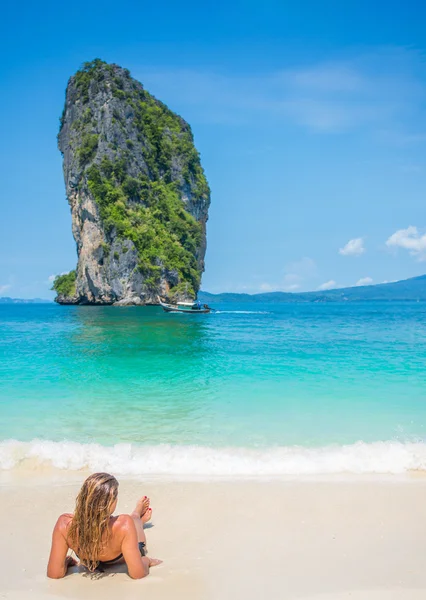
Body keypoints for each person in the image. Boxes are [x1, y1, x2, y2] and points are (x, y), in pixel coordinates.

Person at [47, 472, 162, 579]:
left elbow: (54, 574)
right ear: (110, 502)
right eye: (115, 496)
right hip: (119, 558)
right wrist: (147, 560)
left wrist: (66, 562)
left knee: (130, 524)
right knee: (134, 524)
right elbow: (138, 574)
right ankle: (137, 515)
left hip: (89, 560)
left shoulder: (64, 524)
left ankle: (137, 515)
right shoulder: (124, 524)